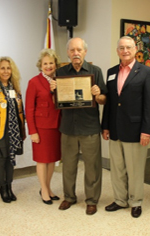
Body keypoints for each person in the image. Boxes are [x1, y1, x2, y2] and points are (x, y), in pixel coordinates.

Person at [50, 37, 107, 215]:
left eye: (79, 50)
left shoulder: (95, 71)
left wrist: (98, 95)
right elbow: (55, 103)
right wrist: (54, 91)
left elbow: (104, 100)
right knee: (68, 166)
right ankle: (69, 197)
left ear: (85, 52)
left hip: (89, 127)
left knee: (92, 167)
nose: (76, 53)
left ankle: (91, 200)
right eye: (72, 50)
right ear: (68, 52)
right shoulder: (60, 73)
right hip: (68, 128)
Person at [101, 36, 150, 218]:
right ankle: (120, 200)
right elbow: (110, 103)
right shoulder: (111, 72)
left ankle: (136, 201)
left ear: (135, 50)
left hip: (135, 129)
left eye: (128, 47)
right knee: (117, 168)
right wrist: (105, 126)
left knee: (135, 169)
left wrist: (146, 130)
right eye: (121, 48)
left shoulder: (146, 72)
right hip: (115, 128)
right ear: (117, 51)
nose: (125, 51)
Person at [0, 56, 26, 203]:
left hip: (13, 132)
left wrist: (22, 131)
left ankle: (9, 187)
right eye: (3, 68)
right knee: (1, 160)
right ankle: (2, 188)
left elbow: (21, 111)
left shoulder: (15, 88)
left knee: (10, 160)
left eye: (8, 68)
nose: (6, 71)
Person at [25, 49, 61, 205]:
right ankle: (44, 190)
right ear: (40, 65)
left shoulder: (60, 80)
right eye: (45, 63)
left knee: (52, 159)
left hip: (57, 126)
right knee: (42, 160)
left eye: (51, 63)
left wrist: (57, 90)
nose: (48, 66)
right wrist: (32, 131)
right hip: (41, 128)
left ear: (55, 64)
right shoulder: (34, 82)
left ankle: (47, 187)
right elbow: (29, 109)